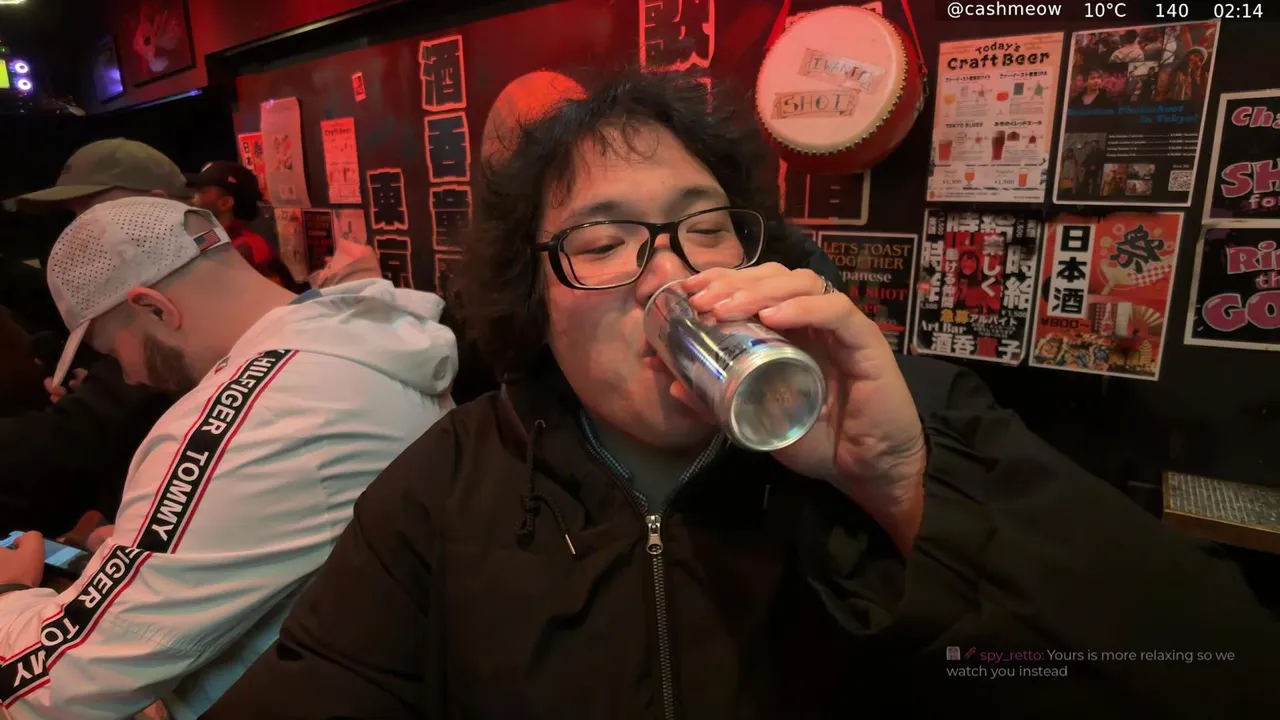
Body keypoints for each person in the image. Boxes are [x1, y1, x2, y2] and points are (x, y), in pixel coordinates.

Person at [208, 69, 1279, 718]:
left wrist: (907, 485)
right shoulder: (440, 494)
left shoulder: (909, 417)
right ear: (534, 297)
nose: (668, 276)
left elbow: (1221, 673)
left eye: (704, 227)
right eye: (603, 241)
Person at [0, 196, 457, 717]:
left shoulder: (257, 415)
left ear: (154, 307)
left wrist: (10, 591)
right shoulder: (366, 341)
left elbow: (62, 686)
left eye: (112, 350)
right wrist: (156, 547)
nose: (128, 376)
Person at [0, 139, 188, 536]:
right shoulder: (138, 291)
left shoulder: (173, 309)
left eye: (91, 215)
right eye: (74, 218)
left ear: (158, 207)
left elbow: (66, 442)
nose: (77, 236)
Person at [187, 160, 288, 285]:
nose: (193, 198)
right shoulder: (214, 236)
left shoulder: (249, 246)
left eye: (201, 192)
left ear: (225, 203)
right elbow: (186, 253)